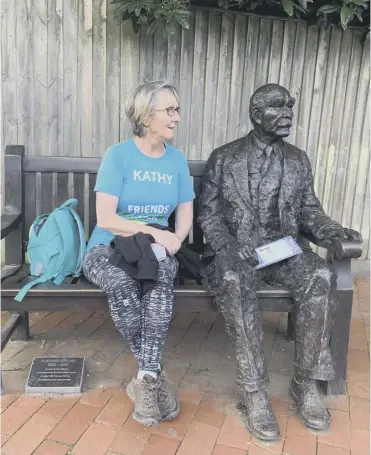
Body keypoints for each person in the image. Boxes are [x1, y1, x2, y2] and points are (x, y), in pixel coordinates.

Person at [197, 84, 362, 441]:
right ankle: (254, 391)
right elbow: (208, 216)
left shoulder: (298, 160)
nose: (288, 112)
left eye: (290, 106)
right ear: (257, 115)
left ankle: (306, 385)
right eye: (279, 106)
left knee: (319, 275)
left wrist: (333, 232)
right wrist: (228, 246)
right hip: (237, 254)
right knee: (233, 280)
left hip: (284, 250)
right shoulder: (225, 158)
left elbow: (308, 211)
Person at [83, 81, 194, 427]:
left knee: (159, 281)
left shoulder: (176, 161)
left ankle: (144, 379)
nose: (177, 117)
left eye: (177, 109)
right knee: (120, 284)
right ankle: (154, 373)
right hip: (108, 245)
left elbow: (185, 210)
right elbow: (106, 218)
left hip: (154, 250)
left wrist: (174, 239)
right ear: (146, 117)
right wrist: (156, 231)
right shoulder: (118, 156)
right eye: (169, 110)